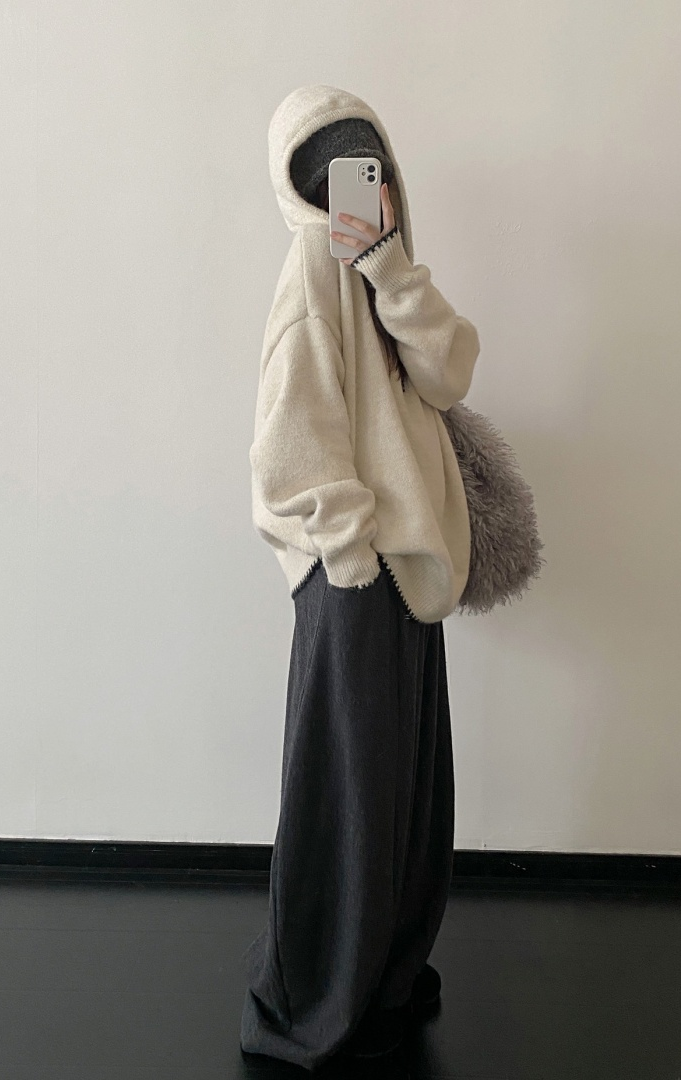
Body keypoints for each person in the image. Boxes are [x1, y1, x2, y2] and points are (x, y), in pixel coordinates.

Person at [240, 83, 481, 1071]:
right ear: (299, 185)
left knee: (404, 794)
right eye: (328, 167)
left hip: (406, 571)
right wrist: (348, 553)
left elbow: (450, 372)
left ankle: (381, 974)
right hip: (355, 574)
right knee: (346, 798)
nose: (349, 182)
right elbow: (286, 441)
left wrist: (387, 262)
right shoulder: (310, 266)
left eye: (363, 160)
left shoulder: (380, 267)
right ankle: (311, 1005)